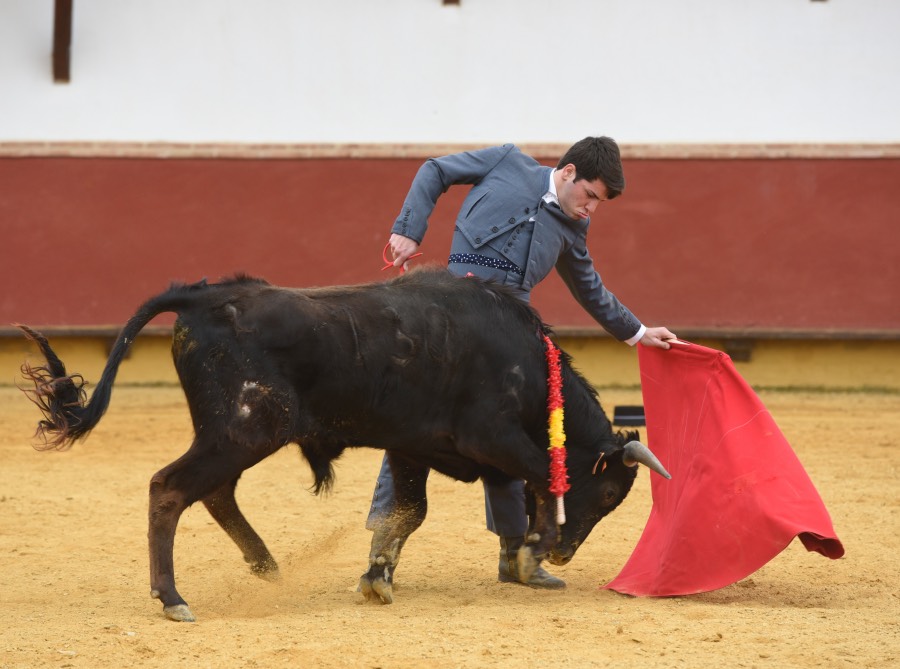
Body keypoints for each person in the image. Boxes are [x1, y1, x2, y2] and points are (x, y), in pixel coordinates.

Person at [367, 137, 676, 589]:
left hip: (509, 341)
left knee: (514, 432)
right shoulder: (506, 161)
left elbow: (589, 288)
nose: (591, 208)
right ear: (568, 172)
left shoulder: (572, 229)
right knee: (412, 423)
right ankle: (383, 553)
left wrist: (638, 332)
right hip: (449, 321)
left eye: (599, 204)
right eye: (590, 195)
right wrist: (409, 228)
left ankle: (515, 555)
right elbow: (435, 170)